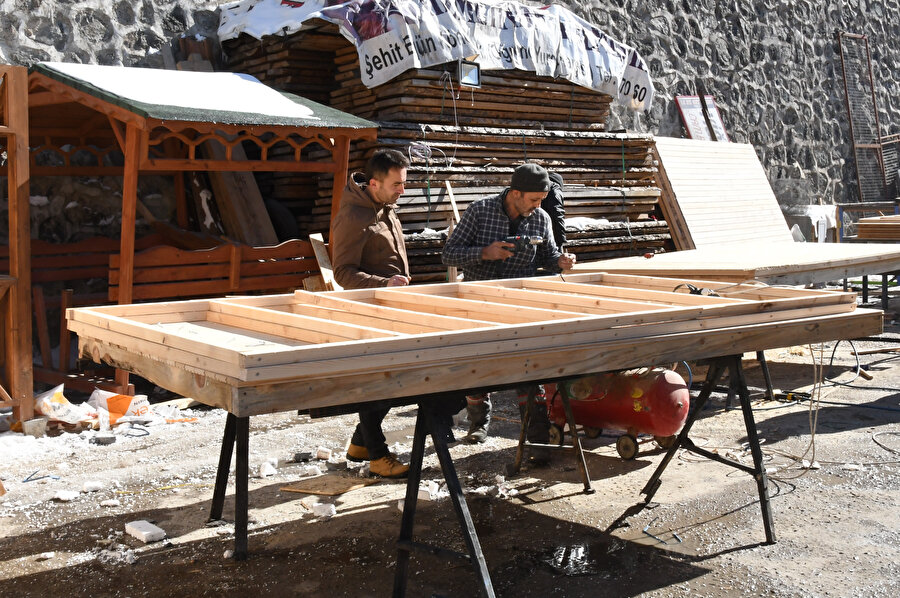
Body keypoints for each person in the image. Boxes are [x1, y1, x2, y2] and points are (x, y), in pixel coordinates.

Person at [441, 163, 576, 446]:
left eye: (542, 200)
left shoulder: (541, 218)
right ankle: (479, 424)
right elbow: (449, 255)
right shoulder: (480, 211)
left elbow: (548, 257)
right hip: (479, 302)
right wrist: (484, 253)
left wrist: (561, 262)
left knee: (528, 369)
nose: (539, 206)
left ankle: (537, 437)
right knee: (478, 367)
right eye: (534, 200)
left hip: (519, 305)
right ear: (515, 192)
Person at [330, 148, 411, 478]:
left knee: (393, 381)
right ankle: (377, 455)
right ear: (374, 184)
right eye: (397, 184)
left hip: (392, 307)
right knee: (381, 384)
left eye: (404, 183)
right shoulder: (353, 217)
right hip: (370, 312)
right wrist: (384, 284)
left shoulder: (385, 205)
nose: (402, 190)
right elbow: (343, 272)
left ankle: (360, 445)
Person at [542, 171, 566, 248]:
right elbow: (558, 214)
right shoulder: (555, 191)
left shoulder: (543, 188)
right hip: (553, 233)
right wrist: (561, 239)